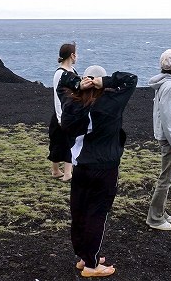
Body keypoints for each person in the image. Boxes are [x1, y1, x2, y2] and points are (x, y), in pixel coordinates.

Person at [59, 64, 138, 278]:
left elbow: (60, 83)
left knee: (80, 211)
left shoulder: (72, 103)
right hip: (104, 167)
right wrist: (106, 82)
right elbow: (131, 79)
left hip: (81, 165)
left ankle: (85, 256)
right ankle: (91, 265)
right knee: (97, 214)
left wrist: (78, 84)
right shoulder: (112, 102)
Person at [146, 48, 171, 231]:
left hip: (165, 136)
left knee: (166, 177)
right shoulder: (170, 86)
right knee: (166, 178)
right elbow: (168, 116)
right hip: (168, 138)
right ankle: (155, 218)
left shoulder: (164, 84)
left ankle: (160, 212)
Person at [48, 42, 85, 182]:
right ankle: (66, 173)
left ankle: (57, 170)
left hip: (68, 113)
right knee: (66, 143)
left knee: (61, 142)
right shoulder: (60, 73)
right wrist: (60, 117)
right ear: (72, 55)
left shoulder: (72, 71)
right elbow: (57, 97)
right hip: (63, 114)